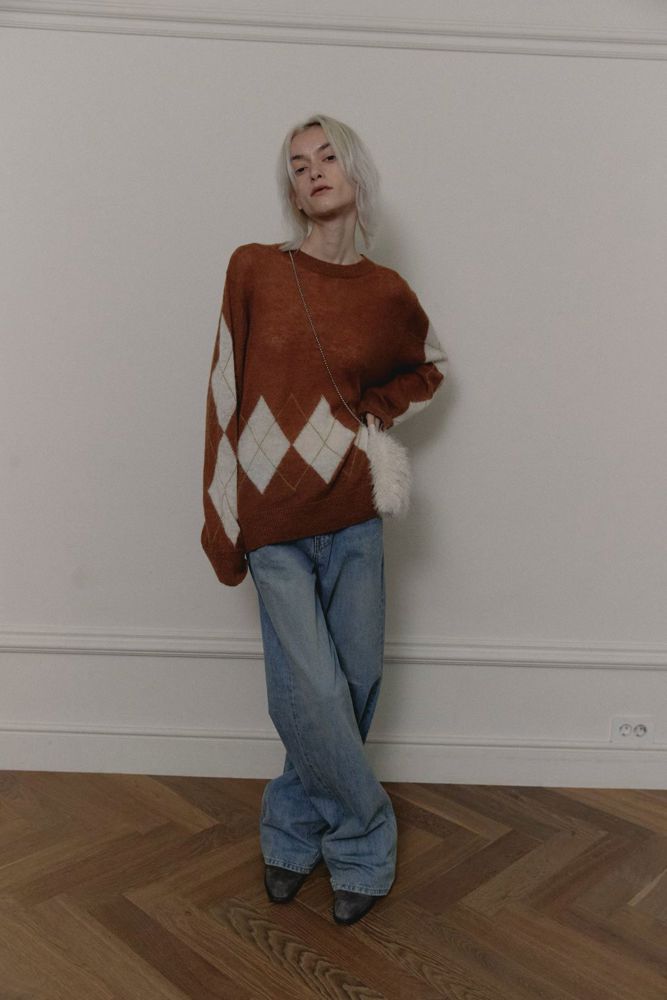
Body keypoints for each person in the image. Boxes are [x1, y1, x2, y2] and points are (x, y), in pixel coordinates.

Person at [201, 113, 448, 925]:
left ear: (353, 171)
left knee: (352, 680)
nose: (312, 171)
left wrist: (367, 416)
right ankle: (365, 840)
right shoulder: (254, 269)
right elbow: (223, 395)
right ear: (292, 188)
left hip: (352, 510)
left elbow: (430, 366)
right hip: (271, 516)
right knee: (306, 688)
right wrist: (220, 513)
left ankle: (290, 826)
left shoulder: (384, 292)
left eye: (326, 155)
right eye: (297, 164)